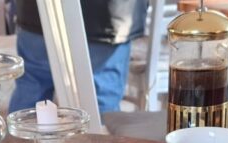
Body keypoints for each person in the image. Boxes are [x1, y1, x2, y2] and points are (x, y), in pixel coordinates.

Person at [9, 0, 148, 114]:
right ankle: (98, 139)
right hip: (107, 22)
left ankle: (17, 140)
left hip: (36, 17)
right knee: (101, 100)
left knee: (31, 90)